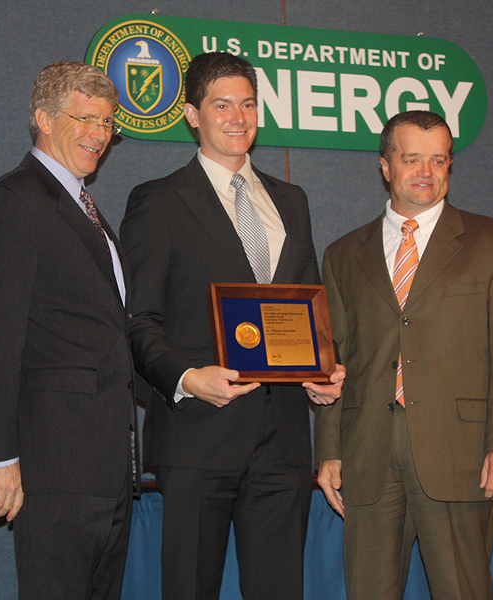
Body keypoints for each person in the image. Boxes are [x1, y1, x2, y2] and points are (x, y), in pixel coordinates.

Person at [120, 52, 344, 600]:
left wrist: (324, 366)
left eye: (247, 104)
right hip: (199, 435)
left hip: (284, 442)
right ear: (193, 115)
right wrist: (186, 377)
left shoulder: (291, 201)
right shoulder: (159, 201)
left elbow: (307, 308)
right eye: (222, 105)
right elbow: (137, 322)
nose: (238, 117)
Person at [315, 110, 493, 600]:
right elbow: (336, 361)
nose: (426, 172)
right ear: (385, 166)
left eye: (438, 160)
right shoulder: (343, 253)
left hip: (460, 455)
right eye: (411, 158)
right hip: (368, 452)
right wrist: (329, 450)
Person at [0, 60, 137, 600]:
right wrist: (0, 458)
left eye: (107, 123)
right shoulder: (13, 202)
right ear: (42, 117)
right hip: (55, 464)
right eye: (84, 118)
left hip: (105, 467)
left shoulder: (84, 208)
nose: (98, 135)